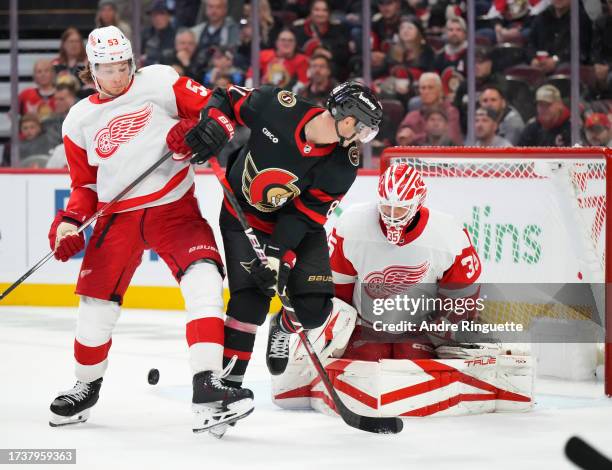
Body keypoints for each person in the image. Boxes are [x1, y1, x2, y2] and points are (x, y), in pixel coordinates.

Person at [46, 26, 253, 435]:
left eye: (123, 65)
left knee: (205, 280)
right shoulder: (78, 120)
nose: (118, 75)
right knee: (95, 308)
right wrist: (69, 222)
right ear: (91, 69)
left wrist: (205, 130)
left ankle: (208, 383)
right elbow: (84, 186)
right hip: (116, 219)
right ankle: (85, 386)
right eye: (108, 69)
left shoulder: (159, 80)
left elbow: (216, 108)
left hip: (173, 209)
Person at [182, 81, 383, 384]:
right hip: (243, 214)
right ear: (348, 120)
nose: (363, 139)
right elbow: (224, 97)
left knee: (314, 311)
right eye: (363, 130)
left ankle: (283, 326)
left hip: (296, 225)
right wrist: (215, 125)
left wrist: (279, 256)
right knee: (250, 301)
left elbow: (303, 216)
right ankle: (227, 387)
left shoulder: (343, 164)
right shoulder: (277, 105)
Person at [327, 163, 482, 361]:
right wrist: (338, 331)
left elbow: (462, 296)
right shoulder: (351, 225)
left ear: (419, 202)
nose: (392, 216)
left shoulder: (449, 234)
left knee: (412, 365)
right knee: (365, 365)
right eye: (386, 206)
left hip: (420, 329)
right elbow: (338, 289)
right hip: (366, 325)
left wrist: (445, 333)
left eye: (400, 208)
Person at [527, 0, 592, 74]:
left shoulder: (581, 19)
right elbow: (530, 44)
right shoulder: (542, 17)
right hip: (540, 65)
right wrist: (533, 59)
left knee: (564, 70)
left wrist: (556, 60)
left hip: (567, 69)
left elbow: (581, 51)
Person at [398, 72, 463, 145]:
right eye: (423, 88)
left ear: (440, 91)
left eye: (430, 87)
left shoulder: (450, 112)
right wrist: (404, 135)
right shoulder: (412, 116)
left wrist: (415, 138)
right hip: (417, 155)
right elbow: (401, 138)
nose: (426, 91)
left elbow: (451, 139)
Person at [191, 0, 240, 71]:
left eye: (218, 7)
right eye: (211, 7)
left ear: (225, 9)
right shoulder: (196, 31)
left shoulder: (233, 30)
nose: (214, 11)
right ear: (206, 9)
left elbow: (233, 52)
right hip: (199, 71)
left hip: (224, 70)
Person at [142, 0, 177, 66]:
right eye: (154, 15)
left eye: (162, 14)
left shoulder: (177, 35)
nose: (158, 18)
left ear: (169, 16)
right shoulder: (145, 34)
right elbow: (139, 55)